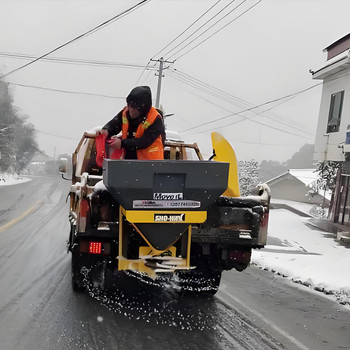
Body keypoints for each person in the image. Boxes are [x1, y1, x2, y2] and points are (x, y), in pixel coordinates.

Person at [97, 86, 165, 160]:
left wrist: (122, 143)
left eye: (135, 108)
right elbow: (115, 124)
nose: (131, 110)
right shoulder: (125, 113)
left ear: (143, 109)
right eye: (130, 106)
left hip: (150, 164)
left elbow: (144, 142)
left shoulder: (155, 119)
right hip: (129, 161)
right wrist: (106, 130)